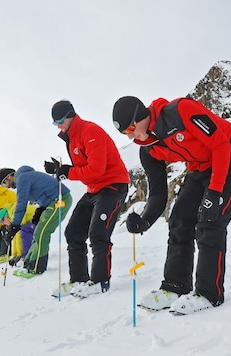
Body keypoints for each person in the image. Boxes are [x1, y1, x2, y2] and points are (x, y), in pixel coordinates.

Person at [112, 95, 231, 314]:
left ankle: (209, 294)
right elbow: (158, 194)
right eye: (125, 133)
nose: (131, 136)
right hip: (199, 166)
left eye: (131, 128)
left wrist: (215, 192)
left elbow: (220, 143)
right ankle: (175, 286)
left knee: (210, 221)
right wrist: (144, 221)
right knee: (179, 220)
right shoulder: (148, 150)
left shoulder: (181, 111)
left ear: (141, 115)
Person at [45, 100, 130, 298]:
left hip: (112, 185)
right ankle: (78, 280)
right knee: (73, 232)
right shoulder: (72, 138)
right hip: (94, 189)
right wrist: (60, 170)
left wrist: (68, 172)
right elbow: (83, 169)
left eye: (59, 120)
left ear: (70, 115)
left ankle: (100, 281)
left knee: (98, 233)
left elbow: (96, 169)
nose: (58, 126)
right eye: (54, 123)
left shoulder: (90, 132)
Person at [0, 166, 72, 276]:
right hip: (53, 201)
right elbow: (42, 193)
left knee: (42, 232)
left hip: (60, 200)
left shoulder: (22, 178)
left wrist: (14, 225)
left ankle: (37, 267)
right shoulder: (25, 177)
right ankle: (29, 264)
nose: (7, 187)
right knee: (38, 232)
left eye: (5, 183)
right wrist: (41, 209)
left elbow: (21, 203)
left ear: (9, 177)